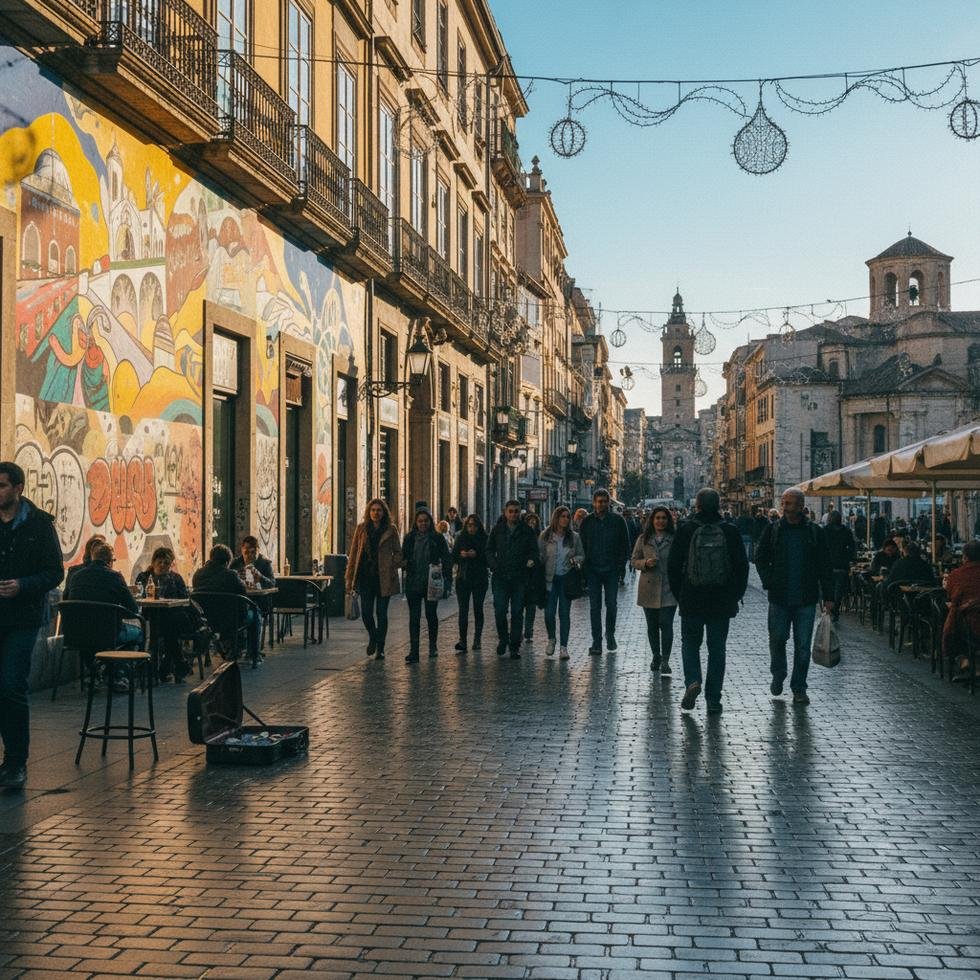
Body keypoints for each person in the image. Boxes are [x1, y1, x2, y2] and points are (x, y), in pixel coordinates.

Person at [0, 461, 64, 790]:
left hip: (23, 618)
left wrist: (23, 585)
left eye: (2, 486)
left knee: (11, 684)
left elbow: (55, 572)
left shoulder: (39, 525)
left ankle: (15, 762)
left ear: (18, 488)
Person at [667, 488, 748, 715]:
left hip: (692, 597)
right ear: (719, 505)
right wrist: (736, 595)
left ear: (698, 506)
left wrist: (680, 594)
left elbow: (673, 566)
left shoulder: (686, 528)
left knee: (690, 643)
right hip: (721, 600)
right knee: (717, 648)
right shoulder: (730, 530)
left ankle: (693, 680)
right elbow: (742, 567)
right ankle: (714, 699)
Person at [755, 489, 834, 707]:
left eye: (789, 503)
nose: (785, 507)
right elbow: (760, 557)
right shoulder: (773, 530)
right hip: (779, 597)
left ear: (801, 506)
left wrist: (829, 596)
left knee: (802, 646)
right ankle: (778, 673)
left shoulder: (814, 532)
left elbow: (825, 566)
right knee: (777, 639)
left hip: (805, 599)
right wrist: (768, 579)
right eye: (784, 502)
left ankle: (799, 688)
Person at [345, 499, 403, 661]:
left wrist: (390, 564)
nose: (375, 513)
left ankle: (381, 648)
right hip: (365, 577)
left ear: (384, 512)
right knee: (366, 613)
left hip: (384, 578)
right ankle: (373, 637)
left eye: (379, 510)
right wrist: (349, 579)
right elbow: (354, 553)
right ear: (368, 513)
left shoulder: (391, 530)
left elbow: (399, 553)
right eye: (373, 510)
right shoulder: (361, 529)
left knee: (382, 614)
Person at [579, 488, 631, 655]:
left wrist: (621, 565)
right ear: (594, 503)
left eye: (604, 501)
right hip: (593, 570)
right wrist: (584, 568)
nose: (601, 504)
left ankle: (610, 634)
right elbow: (582, 546)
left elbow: (625, 544)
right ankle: (596, 641)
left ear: (609, 503)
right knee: (595, 607)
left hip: (611, 570)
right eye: (599, 501)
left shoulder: (618, 521)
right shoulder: (586, 522)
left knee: (612, 605)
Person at [486, 500, 538, 659]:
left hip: (519, 577)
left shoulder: (527, 531)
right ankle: (503, 639)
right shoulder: (497, 530)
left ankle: (514, 645)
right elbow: (489, 550)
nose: (513, 514)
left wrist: (530, 561)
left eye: (516, 511)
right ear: (505, 512)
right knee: (500, 610)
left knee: (517, 612)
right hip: (501, 577)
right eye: (511, 511)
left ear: (520, 512)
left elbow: (533, 551)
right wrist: (494, 565)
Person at [192, 544, 260, 662]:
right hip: (230, 621)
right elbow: (243, 593)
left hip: (206, 621)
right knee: (255, 612)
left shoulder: (198, 575)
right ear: (228, 561)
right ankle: (254, 655)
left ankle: (230, 646)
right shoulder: (231, 575)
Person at [133, 546, 193, 681]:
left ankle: (162, 669)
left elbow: (184, 599)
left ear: (171, 564)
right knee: (169, 630)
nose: (162, 565)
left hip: (173, 616)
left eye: (166, 563)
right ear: (153, 562)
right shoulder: (144, 577)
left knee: (168, 625)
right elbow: (138, 595)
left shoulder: (176, 579)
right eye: (159, 562)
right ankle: (176, 665)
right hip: (148, 617)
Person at [632, 506, 677, 675]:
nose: (660, 521)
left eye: (664, 518)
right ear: (652, 520)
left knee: (666, 624)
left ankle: (665, 659)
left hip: (668, 588)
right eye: (657, 518)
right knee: (652, 626)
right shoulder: (644, 539)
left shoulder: (674, 539)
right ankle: (655, 655)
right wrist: (644, 563)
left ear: (668, 520)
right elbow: (634, 560)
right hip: (649, 587)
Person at [401, 509, 450, 663]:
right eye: (420, 521)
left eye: (426, 521)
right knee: (414, 617)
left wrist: (447, 580)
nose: (423, 524)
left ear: (430, 522)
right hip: (413, 582)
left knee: (431, 614)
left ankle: (432, 646)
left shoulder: (437, 538)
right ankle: (414, 651)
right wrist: (405, 564)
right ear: (416, 523)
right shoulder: (409, 538)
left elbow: (446, 558)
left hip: (431, 582)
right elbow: (403, 557)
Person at [538, 506, 584, 660]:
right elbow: (540, 555)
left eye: (567, 516)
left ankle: (564, 647)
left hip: (566, 579)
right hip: (549, 580)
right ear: (556, 518)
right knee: (549, 613)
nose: (565, 519)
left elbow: (581, 555)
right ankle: (552, 638)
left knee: (564, 614)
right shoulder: (545, 536)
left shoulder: (574, 537)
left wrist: (576, 560)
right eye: (562, 516)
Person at [942, 539, 980, 679]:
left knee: (953, 623)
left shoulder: (957, 575)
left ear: (965, 556)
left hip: (971, 627)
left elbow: (951, 595)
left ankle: (962, 659)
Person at [452, 514, 489, 654]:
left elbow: (488, 557)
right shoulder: (461, 538)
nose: (471, 528)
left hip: (479, 578)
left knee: (478, 608)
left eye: (474, 525)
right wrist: (461, 554)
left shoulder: (484, 538)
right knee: (463, 610)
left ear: (478, 526)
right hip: (463, 578)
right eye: (469, 525)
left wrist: (477, 554)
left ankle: (477, 639)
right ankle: (462, 640)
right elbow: (453, 555)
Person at [825, 510, 857, 621]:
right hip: (842, 564)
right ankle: (836, 609)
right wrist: (849, 557)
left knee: (829, 588)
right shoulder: (846, 531)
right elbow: (852, 547)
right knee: (839, 589)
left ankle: (830, 609)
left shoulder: (825, 530)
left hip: (828, 564)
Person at [522, 511, 543, 641]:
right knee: (519, 604)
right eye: (529, 522)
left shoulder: (540, 537)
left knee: (531, 605)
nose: (531, 525)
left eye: (533, 523)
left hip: (534, 575)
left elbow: (542, 554)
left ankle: (529, 631)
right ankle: (518, 629)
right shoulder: (520, 536)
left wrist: (536, 560)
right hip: (522, 574)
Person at [436, 520, 455, 597]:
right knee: (446, 574)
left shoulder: (447, 535)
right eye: (442, 526)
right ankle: (446, 590)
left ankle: (447, 589)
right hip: (446, 558)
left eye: (445, 526)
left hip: (447, 558)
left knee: (446, 574)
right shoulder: (442, 536)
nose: (443, 527)